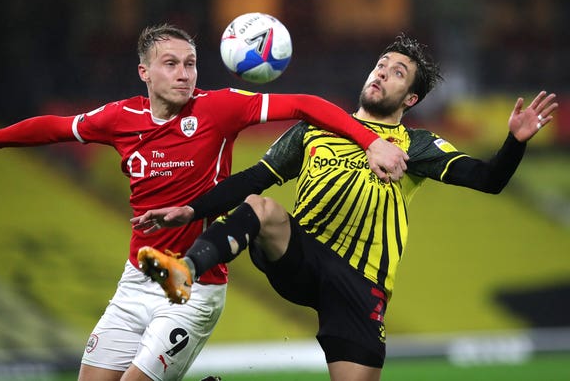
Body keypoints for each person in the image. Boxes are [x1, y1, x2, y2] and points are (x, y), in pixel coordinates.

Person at [0, 24, 409, 381]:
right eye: (171, 64)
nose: (184, 74)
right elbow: (53, 127)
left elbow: (306, 103)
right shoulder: (119, 119)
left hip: (191, 287)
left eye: (191, 64)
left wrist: (369, 141)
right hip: (139, 276)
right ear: (144, 72)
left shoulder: (219, 109)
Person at [132, 34, 558, 381]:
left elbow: (488, 180)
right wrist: (191, 209)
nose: (381, 75)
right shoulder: (316, 129)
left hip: (360, 282)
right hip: (302, 254)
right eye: (380, 65)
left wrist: (514, 143)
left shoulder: (416, 146)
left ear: (410, 99)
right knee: (259, 205)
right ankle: (185, 270)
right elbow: (252, 177)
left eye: (397, 74)